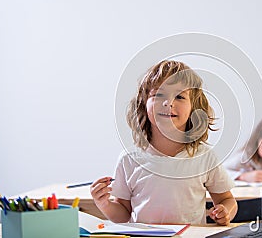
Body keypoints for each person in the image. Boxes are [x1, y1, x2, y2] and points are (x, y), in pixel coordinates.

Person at [90, 60, 237, 225]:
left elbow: (227, 200)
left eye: (180, 96)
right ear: (143, 105)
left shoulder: (205, 156)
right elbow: (123, 215)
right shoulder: (129, 159)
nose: (169, 102)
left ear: (194, 110)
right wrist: (104, 204)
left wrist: (226, 212)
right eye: (158, 95)